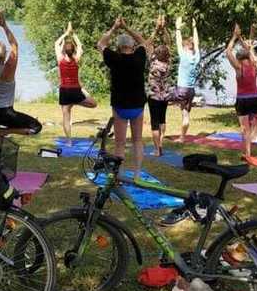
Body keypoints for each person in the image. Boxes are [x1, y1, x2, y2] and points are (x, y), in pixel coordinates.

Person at [0, 12, 42, 151]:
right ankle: (5, 132)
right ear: (5, 54)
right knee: (36, 127)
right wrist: (4, 25)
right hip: (5, 113)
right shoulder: (8, 68)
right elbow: (14, 44)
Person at [97, 16, 148, 181]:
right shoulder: (139, 57)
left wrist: (114, 27)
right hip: (137, 106)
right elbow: (143, 41)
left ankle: (118, 175)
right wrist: (126, 27)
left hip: (120, 106)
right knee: (137, 141)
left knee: (120, 144)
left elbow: (101, 44)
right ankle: (137, 174)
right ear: (132, 46)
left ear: (118, 47)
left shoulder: (114, 58)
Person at [225, 23, 257, 159]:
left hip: (242, 100)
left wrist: (234, 37)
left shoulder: (238, 66)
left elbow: (228, 52)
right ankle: (253, 135)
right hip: (254, 98)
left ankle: (247, 152)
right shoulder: (254, 63)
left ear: (239, 58)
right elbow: (250, 48)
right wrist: (248, 34)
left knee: (244, 128)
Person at [55, 21, 97, 144]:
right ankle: (77, 101)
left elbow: (56, 43)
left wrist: (66, 34)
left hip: (64, 91)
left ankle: (69, 141)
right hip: (75, 90)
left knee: (66, 117)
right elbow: (80, 46)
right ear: (73, 50)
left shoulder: (60, 59)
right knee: (94, 104)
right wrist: (73, 34)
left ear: (63, 50)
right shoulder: (76, 59)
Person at [147, 15, 172, 157]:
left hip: (154, 96)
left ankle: (157, 150)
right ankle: (161, 143)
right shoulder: (168, 63)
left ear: (156, 54)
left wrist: (156, 29)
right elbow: (169, 44)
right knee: (162, 119)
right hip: (165, 96)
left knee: (154, 123)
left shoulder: (153, 61)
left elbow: (148, 43)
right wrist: (165, 29)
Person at [174, 16, 201, 142]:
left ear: (186, 47)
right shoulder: (196, 58)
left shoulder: (183, 55)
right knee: (185, 113)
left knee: (184, 114)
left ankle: (182, 137)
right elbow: (197, 42)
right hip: (191, 90)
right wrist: (194, 27)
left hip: (182, 89)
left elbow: (178, 41)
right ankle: (182, 136)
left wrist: (178, 28)